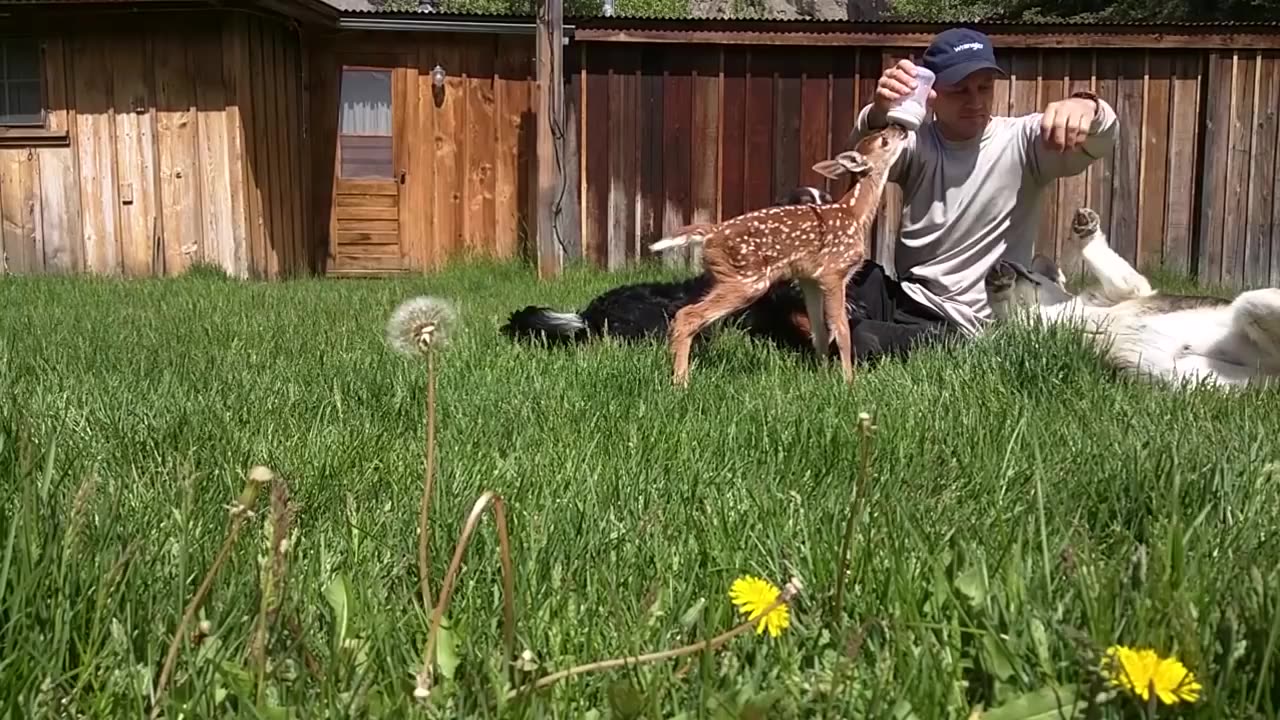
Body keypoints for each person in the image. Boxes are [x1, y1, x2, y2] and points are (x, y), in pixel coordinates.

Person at [840, 26, 1119, 361]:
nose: (975, 101)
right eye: (960, 90)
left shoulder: (1025, 141)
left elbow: (1101, 138)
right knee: (811, 281)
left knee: (872, 336)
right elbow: (859, 159)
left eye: (984, 87)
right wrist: (879, 111)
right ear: (932, 93)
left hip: (972, 323)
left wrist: (1089, 107)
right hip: (908, 297)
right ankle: (845, 331)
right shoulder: (915, 142)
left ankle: (850, 336)